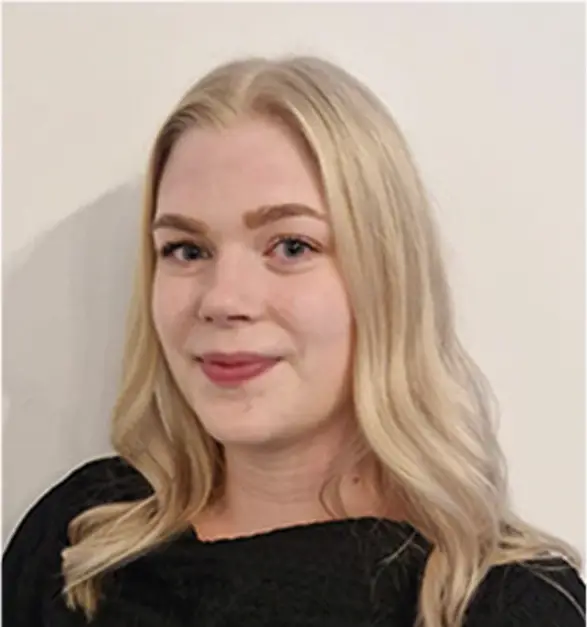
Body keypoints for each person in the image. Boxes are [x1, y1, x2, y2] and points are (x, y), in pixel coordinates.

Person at [2, 55, 584, 627]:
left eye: (291, 246)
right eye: (187, 249)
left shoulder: (501, 604)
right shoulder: (80, 541)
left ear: (387, 276)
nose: (223, 299)